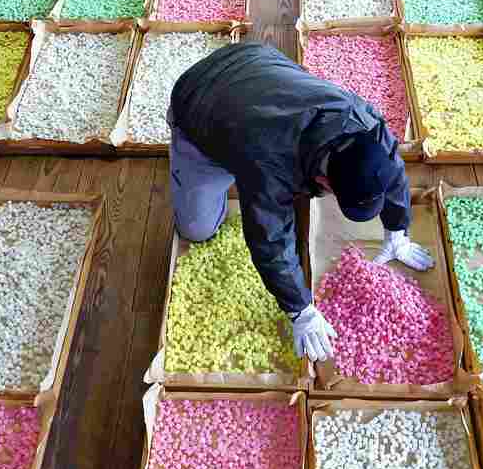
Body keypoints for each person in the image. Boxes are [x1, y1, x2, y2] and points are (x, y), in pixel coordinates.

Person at [167, 41, 435, 363]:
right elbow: (270, 238)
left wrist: (397, 231)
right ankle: (218, 158)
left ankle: (235, 151)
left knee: (256, 168)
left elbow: (392, 174)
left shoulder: (366, 126)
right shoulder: (268, 162)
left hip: (259, 65)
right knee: (196, 229)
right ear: (325, 182)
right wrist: (301, 310)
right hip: (200, 98)